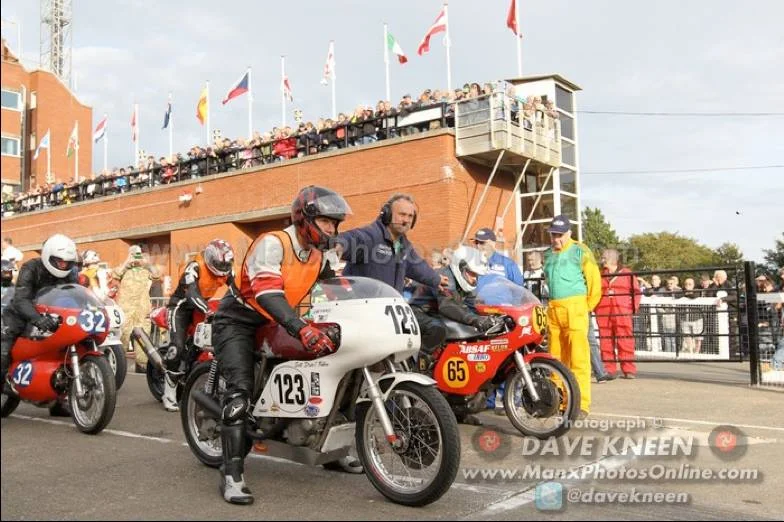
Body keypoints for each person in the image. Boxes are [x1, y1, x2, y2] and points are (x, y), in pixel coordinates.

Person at [211, 185, 350, 505]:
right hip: (239, 321)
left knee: (332, 356)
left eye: (334, 223)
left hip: (279, 321)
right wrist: (301, 328)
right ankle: (232, 474)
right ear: (304, 220)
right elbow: (266, 293)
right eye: (326, 222)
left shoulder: (319, 255)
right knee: (240, 391)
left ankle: (329, 444)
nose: (332, 229)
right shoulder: (273, 243)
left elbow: (339, 290)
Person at [335, 193, 448, 353]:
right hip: (364, 315)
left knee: (436, 329)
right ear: (386, 214)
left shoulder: (403, 244)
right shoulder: (371, 237)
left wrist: (436, 279)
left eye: (410, 216)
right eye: (402, 214)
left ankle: (410, 364)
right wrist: (339, 245)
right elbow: (352, 238)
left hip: (390, 313)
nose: (406, 220)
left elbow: (417, 266)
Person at [1, 234, 79, 413]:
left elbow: (74, 295)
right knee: (4, 347)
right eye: (59, 261)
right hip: (20, 315)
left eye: (67, 262)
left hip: (52, 317)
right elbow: (21, 299)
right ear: (48, 255)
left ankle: (58, 401)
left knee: (64, 351)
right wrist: (36, 318)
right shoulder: (31, 267)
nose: (63, 265)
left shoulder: (70, 273)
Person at [160, 239, 235, 412]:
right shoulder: (194, 267)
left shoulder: (227, 270)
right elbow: (192, 293)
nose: (222, 267)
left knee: (204, 344)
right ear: (209, 258)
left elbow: (236, 291)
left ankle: (192, 372)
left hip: (201, 307)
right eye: (217, 263)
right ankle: (168, 392)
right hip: (180, 307)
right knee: (177, 347)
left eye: (225, 263)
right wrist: (208, 310)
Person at [408, 245, 503, 372]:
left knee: (471, 332)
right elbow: (447, 305)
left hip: (435, 314)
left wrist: (494, 317)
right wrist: (475, 320)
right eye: (472, 274)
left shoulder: (466, 284)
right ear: (460, 268)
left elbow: (473, 306)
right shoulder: (446, 278)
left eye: (477, 275)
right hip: (418, 313)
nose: (475, 279)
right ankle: (419, 369)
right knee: (438, 329)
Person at [542, 215, 601, 418]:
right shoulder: (548, 254)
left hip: (575, 308)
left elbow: (594, 281)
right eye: (553, 235)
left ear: (569, 233)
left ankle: (581, 404)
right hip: (554, 309)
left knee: (578, 358)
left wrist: (586, 307)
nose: (555, 239)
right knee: (555, 359)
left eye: (559, 235)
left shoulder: (580, 251)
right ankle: (556, 401)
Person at [470, 227, 523, 412]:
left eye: (482, 242)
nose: (478, 246)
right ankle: (486, 400)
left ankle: (504, 399)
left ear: (493, 243)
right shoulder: (470, 263)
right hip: (479, 317)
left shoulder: (507, 264)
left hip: (503, 318)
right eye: (476, 242)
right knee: (483, 359)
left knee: (506, 358)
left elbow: (520, 290)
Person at [594, 249, 641, 378]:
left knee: (625, 339)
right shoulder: (599, 274)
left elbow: (636, 292)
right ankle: (609, 369)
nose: (602, 259)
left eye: (604, 257)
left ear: (612, 259)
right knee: (606, 340)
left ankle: (628, 369)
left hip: (622, 311)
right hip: (603, 311)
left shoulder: (627, 273)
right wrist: (595, 307)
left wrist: (631, 308)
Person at [114, 245, 160, 373]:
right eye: (134, 254)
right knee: (122, 337)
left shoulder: (146, 271)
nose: (137, 257)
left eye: (139, 254)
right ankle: (119, 366)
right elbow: (115, 275)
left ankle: (142, 366)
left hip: (142, 309)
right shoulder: (123, 270)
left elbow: (157, 275)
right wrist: (127, 261)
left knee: (143, 337)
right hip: (125, 310)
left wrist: (148, 263)